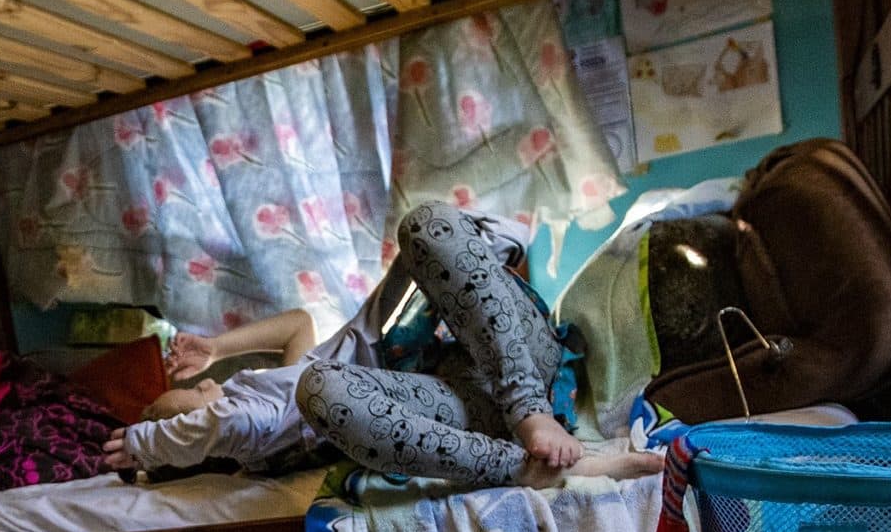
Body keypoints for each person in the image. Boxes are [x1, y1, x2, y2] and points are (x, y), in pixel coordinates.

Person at [106, 202, 664, 488]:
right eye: (175, 403)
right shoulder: (254, 430)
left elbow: (298, 322)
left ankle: (530, 411)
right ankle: (525, 463)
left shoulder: (267, 382)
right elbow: (223, 426)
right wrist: (148, 442)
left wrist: (218, 348)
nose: (199, 386)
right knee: (318, 388)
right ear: (195, 448)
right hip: (451, 405)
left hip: (506, 356)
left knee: (425, 224)